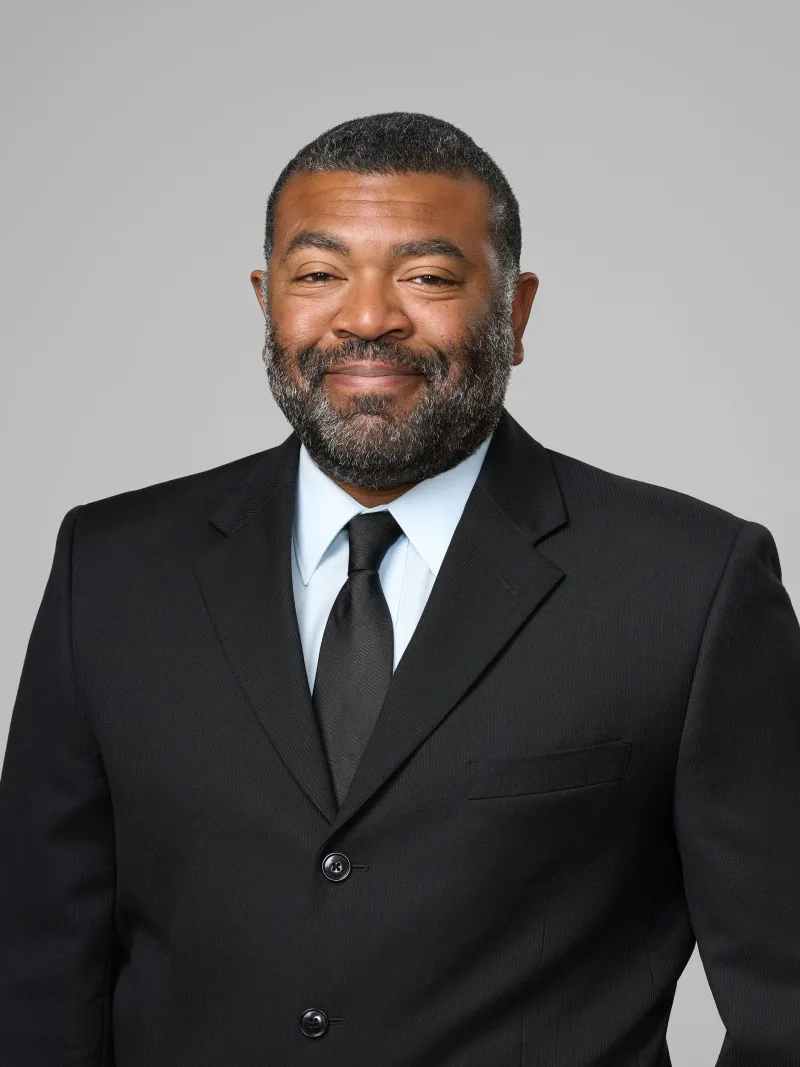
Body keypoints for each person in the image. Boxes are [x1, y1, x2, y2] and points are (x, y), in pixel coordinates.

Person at [1, 111, 798, 1067]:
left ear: (515, 310)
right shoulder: (114, 569)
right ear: (267, 300)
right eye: (318, 274)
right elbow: (36, 975)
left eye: (425, 277)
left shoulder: (691, 586)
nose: (368, 317)